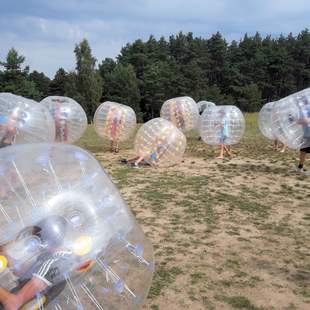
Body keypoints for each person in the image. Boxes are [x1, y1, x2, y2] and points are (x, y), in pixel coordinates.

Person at [0, 216, 72, 310]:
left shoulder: (55, 265)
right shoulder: (52, 254)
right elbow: (20, 271)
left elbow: (13, 304)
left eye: (36, 238)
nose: (33, 241)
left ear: (46, 240)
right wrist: (5, 253)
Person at [296, 96, 310, 173]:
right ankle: (300, 167)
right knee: (303, 151)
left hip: (307, 134)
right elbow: (300, 121)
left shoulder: (304, 109)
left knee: (303, 151)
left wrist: (302, 121)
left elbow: (300, 121)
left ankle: (300, 167)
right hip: (306, 134)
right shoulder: (303, 110)